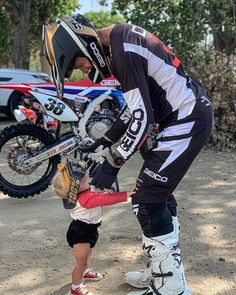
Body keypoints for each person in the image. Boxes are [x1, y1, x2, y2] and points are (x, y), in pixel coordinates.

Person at [44, 14, 214, 295]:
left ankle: (170, 287)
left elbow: (142, 118)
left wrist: (112, 164)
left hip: (186, 120)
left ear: (84, 46)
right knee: (156, 193)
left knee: (147, 199)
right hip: (184, 117)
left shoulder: (123, 52)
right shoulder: (122, 42)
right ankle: (165, 274)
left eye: (78, 63)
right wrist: (104, 142)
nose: (84, 70)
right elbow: (133, 109)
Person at [53, 162, 134, 295]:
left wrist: (101, 193)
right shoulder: (85, 198)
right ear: (77, 184)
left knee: (87, 255)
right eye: (83, 174)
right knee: (81, 262)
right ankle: (76, 287)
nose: (86, 172)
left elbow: (97, 197)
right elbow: (104, 200)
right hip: (81, 232)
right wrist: (127, 194)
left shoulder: (83, 191)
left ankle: (86, 272)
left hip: (88, 228)